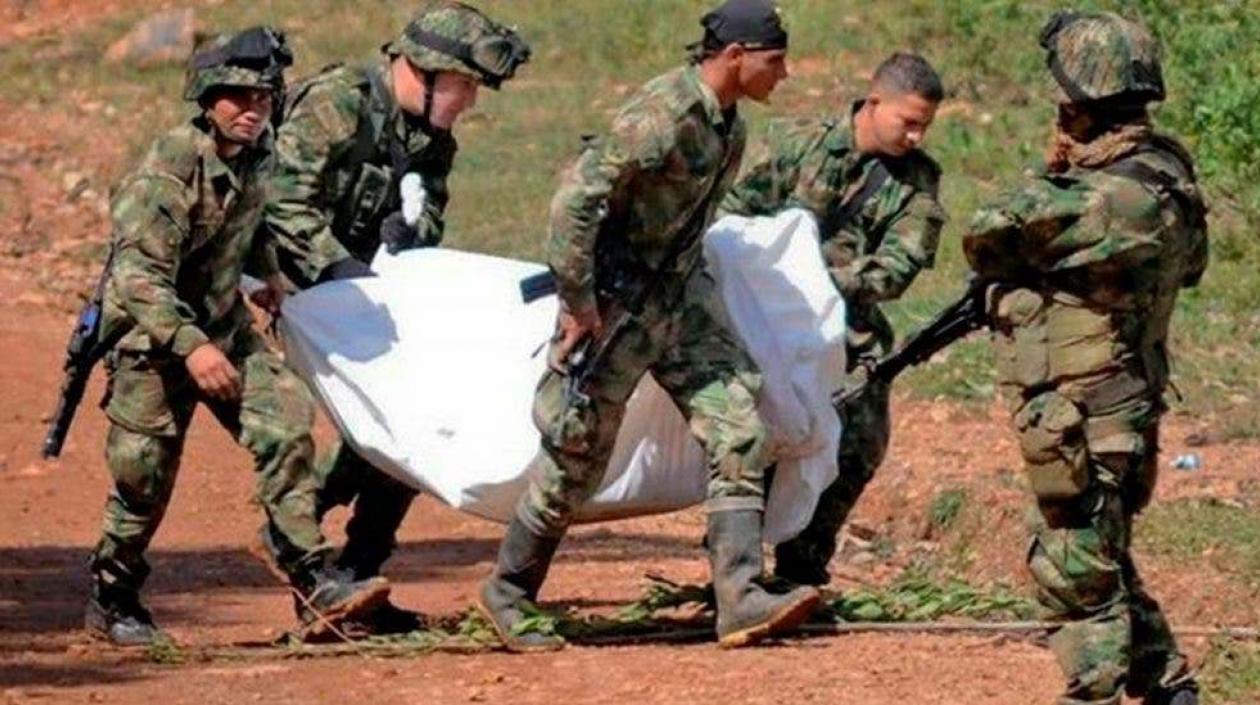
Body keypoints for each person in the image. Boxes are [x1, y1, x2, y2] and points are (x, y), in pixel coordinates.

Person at [476, 0, 819, 653]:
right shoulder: (662, 117)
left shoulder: (728, 127)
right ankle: (508, 590)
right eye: (776, 61)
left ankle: (740, 596)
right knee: (576, 451)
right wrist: (578, 303)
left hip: (679, 302)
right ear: (736, 56)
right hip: (615, 307)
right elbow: (576, 198)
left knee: (739, 425)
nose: (786, 74)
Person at [85, 27, 389, 646]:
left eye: (264, 100)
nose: (252, 111)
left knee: (286, 424)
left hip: (225, 331)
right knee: (143, 480)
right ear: (206, 98)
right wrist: (190, 347)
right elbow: (136, 275)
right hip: (154, 343)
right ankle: (112, 598)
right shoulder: (169, 170)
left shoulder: (261, 152)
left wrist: (267, 275)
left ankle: (313, 583)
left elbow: (251, 222)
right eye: (238, 99)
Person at [963, 11, 1208, 705]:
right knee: (1102, 559)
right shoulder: (1167, 175)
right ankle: (1167, 683)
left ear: (1075, 103)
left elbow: (986, 235)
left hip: (1081, 419)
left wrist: (1056, 162)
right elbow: (1186, 272)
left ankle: (1094, 689)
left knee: (1072, 570)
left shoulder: (1097, 198)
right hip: (1130, 405)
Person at [263, 1, 529, 633]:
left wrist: (409, 234)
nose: (469, 101)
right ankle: (296, 535)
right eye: (465, 85)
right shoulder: (339, 105)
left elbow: (428, 214)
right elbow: (282, 203)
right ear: (426, 70)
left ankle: (356, 574)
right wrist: (340, 270)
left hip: (361, 297)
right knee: (355, 422)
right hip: (295, 289)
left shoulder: (430, 139)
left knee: (415, 415)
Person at [720, 51, 947, 586]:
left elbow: (895, 270)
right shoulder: (798, 143)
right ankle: (734, 571)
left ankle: (801, 568)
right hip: (759, 318)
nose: (916, 137)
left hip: (848, 331)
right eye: (908, 122)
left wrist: (814, 276)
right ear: (873, 103)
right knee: (747, 438)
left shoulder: (917, 183)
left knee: (860, 441)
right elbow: (730, 215)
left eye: (925, 126)